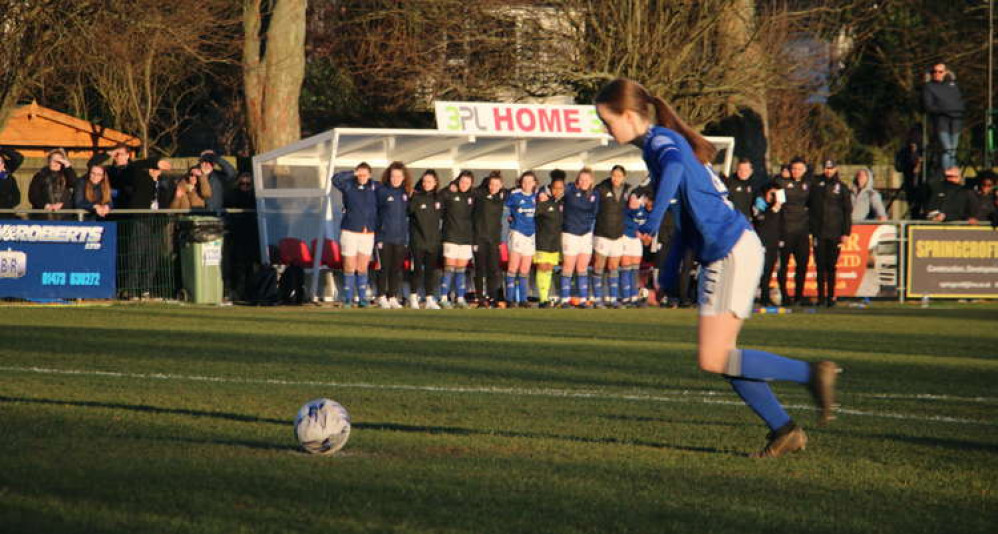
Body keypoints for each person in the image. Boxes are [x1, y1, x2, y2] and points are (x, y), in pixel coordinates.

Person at [595, 78, 838, 458]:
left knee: (715, 356)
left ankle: (812, 374)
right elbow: (687, 214)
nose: (606, 129)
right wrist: (671, 268)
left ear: (628, 115)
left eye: (607, 121)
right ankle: (784, 429)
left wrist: (652, 218)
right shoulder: (656, 146)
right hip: (725, 250)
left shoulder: (661, 143)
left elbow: (674, 172)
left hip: (731, 249)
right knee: (724, 356)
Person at [332, 162, 379, 308]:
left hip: (367, 233)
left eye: (365, 174)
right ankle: (347, 298)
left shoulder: (375, 187)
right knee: (349, 265)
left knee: (362, 267)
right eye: (360, 174)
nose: (362, 177)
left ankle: (363, 298)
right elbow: (335, 179)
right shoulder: (348, 186)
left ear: (370, 175)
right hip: (349, 231)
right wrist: (353, 173)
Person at [809, 160, 852, 307]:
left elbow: (847, 212)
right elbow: (809, 206)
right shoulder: (815, 184)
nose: (828, 171)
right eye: (826, 168)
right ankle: (820, 297)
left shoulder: (842, 187)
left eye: (831, 168)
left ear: (836, 169)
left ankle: (831, 297)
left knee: (831, 266)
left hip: (835, 233)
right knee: (820, 266)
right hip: (819, 233)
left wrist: (846, 233)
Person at [559, 168, 600, 308]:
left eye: (586, 180)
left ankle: (583, 299)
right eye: (581, 179)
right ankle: (564, 300)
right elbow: (554, 190)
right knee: (568, 266)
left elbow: (595, 211)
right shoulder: (569, 190)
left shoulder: (595, 194)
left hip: (586, 234)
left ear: (591, 181)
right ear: (577, 180)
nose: (584, 182)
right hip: (570, 233)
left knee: (582, 267)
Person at [592, 165, 631, 308]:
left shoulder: (627, 190)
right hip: (602, 233)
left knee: (614, 266)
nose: (616, 178)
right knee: (599, 266)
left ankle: (613, 299)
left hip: (618, 234)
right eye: (614, 175)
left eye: (619, 176)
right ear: (610, 175)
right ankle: (597, 299)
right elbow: (593, 208)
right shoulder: (601, 188)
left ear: (624, 177)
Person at [775, 156, 812, 306]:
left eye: (799, 169)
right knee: (783, 265)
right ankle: (784, 295)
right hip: (786, 231)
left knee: (802, 265)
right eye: (794, 169)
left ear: (804, 170)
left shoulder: (808, 184)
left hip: (802, 231)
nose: (796, 171)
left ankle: (798, 296)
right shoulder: (781, 183)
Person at [374, 161, 412, 309]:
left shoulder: (406, 193)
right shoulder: (381, 191)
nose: (395, 179)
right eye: (393, 176)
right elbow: (374, 213)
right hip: (384, 237)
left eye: (398, 176)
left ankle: (392, 296)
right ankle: (381, 296)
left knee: (396, 269)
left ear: (403, 177)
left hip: (400, 238)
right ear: (389, 176)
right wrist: (377, 236)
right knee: (384, 268)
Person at [439, 170, 476, 308]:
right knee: (449, 268)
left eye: (467, 182)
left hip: (466, 238)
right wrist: (450, 186)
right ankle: (443, 297)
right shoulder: (450, 192)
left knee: (461, 269)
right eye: (462, 181)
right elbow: (440, 196)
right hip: (451, 237)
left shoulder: (473, 196)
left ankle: (460, 298)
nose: (464, 185)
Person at [408, 170, 444, 309]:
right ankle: (413, 297)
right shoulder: (416, 198)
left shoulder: (439, 198)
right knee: (417, 270)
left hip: (433, 241)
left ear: (435, 183)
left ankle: (429, 298)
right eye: (424, 181)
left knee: (431, 271)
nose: (426, 184)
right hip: (418, 241)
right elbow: (408, 212)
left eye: (429, 181)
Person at [472, 171, 507, 307]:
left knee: (494, 269)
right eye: (491, 184)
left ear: (501, 185)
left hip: (494, 239)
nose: (493, 187)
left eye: (496, 185)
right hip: (479, 238)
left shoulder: (502, 196)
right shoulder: (480, 194)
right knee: (480, 269)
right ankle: (480, 298)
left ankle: (493, 297)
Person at [505, 171, 538, 307]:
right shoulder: (514, 196)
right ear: (520, 182)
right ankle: (510, 299)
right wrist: (508, 217)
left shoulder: (538, 197)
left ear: (535, 183)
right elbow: (505, 208)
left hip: (530, 235)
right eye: (524, 181)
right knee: (513, 267)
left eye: (530, 181)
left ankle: (523, 299)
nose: (527, 184)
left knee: (525, 269)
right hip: (517, 232)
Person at [224, 171, 259, 302]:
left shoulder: (254, 196)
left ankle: (249, 294)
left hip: (251, 235)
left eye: (247, 184)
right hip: (237, 235)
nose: (244, 186)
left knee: (251, 266)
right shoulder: (233, 195)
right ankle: (238, 293)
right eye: (242, 183)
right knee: (238, 266)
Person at [922, 63, 965, 171]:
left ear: (945, 72)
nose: (937, 74)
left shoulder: (953, 85)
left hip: (956, 121)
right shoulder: (929, 87)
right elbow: (929, 106)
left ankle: (952, 172)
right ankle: (947, 173)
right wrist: (944, 110)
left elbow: (959, 101)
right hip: (942, 122)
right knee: (947, 149)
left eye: (940, 71)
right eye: (934, 71)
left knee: (953, 150)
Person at [534, 171, 565, 307]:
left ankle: (546, 298)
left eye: (560, 188)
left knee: (549, 268)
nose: (557, 190)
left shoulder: (563, 203)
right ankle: (542, 299)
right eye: (555, 188)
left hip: (554, 242)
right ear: (550, 188)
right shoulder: (544, 201)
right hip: (542, 240)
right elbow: (533, 215)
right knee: (542, 267)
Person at [753, 183, 783, 306]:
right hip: (762, 240)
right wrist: (774, 209)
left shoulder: (778, 207)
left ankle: (765, 296)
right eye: (772, 193)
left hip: (774, 241)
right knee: (763, 270)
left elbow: (780, 223)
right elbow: (761, 220)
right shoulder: (759, 203)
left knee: (770, 269)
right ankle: (761, 296)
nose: (773, 196)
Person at [620, 188, 650, 307]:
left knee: (635, 269)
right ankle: (625, 297)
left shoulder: (644, 212)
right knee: (626, 267)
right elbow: (626, 224)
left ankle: (633, 296)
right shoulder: (625, 211)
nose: (633, 201)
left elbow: (646, 228)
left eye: (635, 199)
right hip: (626, 238)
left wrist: (645, 235)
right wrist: (636, 231)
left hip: (637, 242)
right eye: (631, 198)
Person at [28, 149, 76, 218]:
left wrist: (68, 166)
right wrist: (46, 206)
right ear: (49, 161)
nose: (56, 163)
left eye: (59, 161)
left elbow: (74, 184)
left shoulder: (67, 175)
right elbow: (33, 196)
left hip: (64, 216)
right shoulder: (40, 176)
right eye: (54, 160)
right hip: (43, 216)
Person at [0, 146, 24, 215]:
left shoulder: (9, 178)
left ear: (3, 165)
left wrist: (2, 148)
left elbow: (18, 158)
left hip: (6, 214)